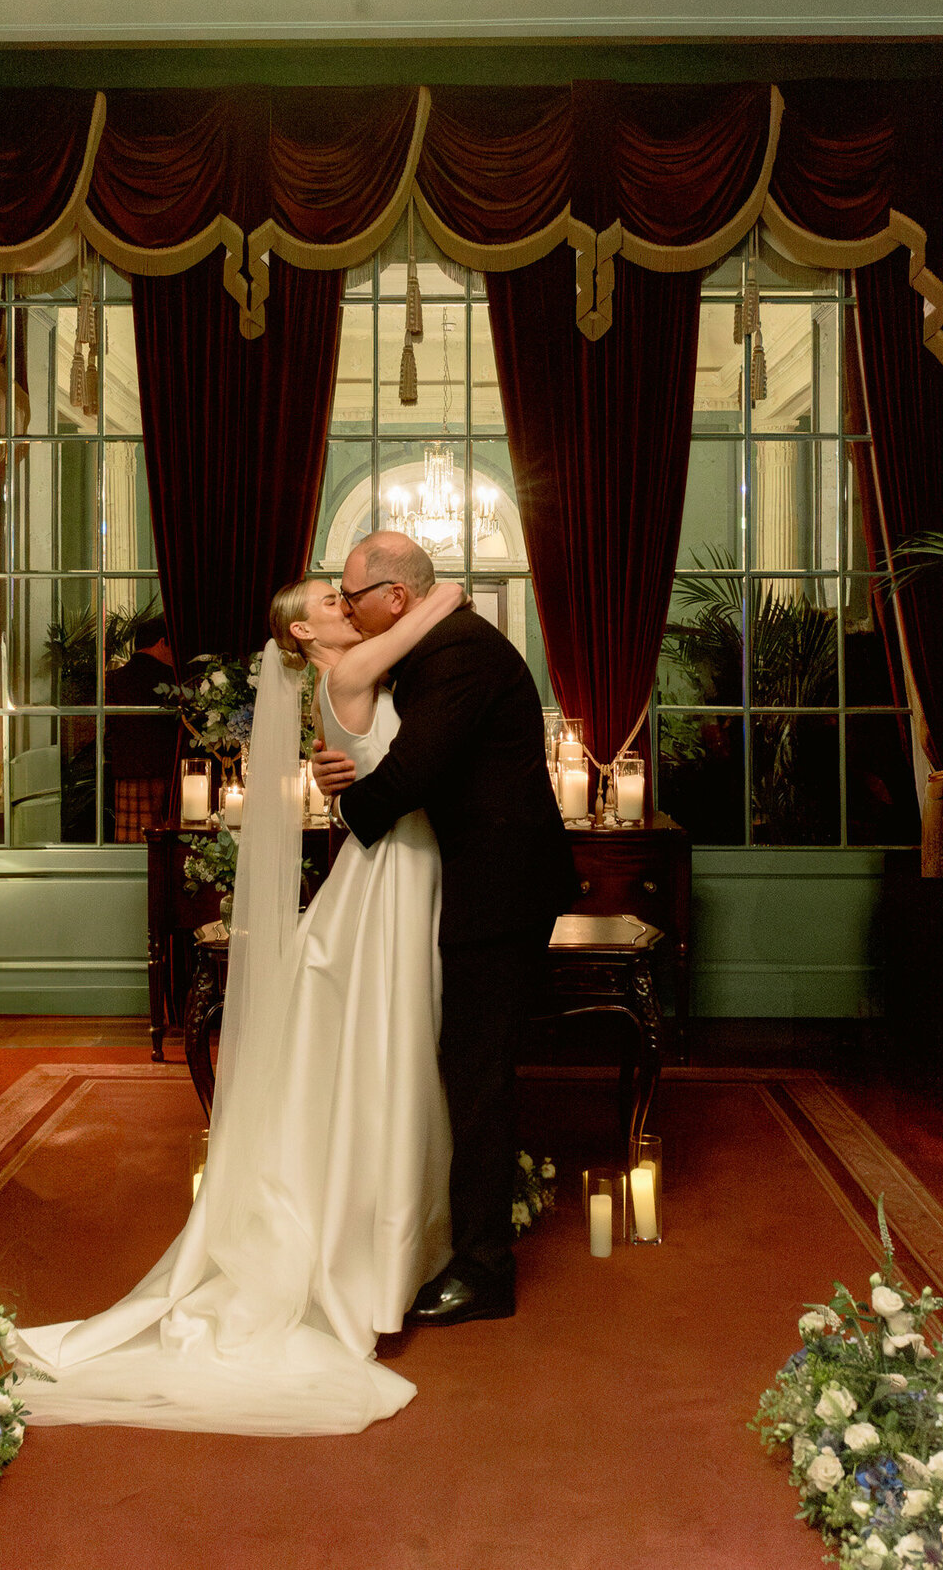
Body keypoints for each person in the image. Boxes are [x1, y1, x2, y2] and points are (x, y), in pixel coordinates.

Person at [13, 573, 466, 1435]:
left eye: (346, 594)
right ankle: (369, 1241)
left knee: (382, 1048)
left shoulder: (356, 679)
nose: (347, 603)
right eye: (330, 601)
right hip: (390, 877)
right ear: (300, 638)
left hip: (392, 868)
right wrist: (437, 590)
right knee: (386, 1042)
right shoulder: (348, 673)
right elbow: (438, 610)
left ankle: (379, 1226)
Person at [314, 532, 579, 1326]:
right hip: (478, 884)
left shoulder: (457, 652)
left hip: (496, 892)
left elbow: (416, 770)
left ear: (395, 598)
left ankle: (484, 1272)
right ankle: (465, 1243)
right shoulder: (433, 647)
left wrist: (348, 804)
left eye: (353, 595)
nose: (348, 608)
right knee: (467, 1074)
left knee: (479, 1080)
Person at [104, 615, 176, 841]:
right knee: (164, 848)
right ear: (162, 643)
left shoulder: (114, 679)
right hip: (167, 776)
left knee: (131, 846)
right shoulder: (172, 680)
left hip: (126, 775)